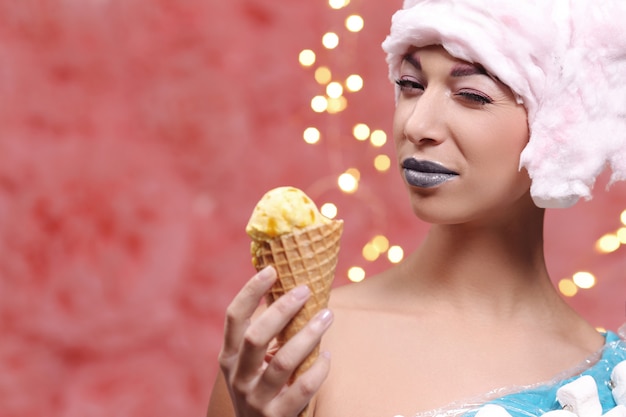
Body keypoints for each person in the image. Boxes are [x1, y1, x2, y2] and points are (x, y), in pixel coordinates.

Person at [207, 1, 626, 416]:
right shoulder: (295, 349)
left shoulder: (612, 380)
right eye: (411, 84)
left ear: (564, 127)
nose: (416, 125)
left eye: (471, 95)